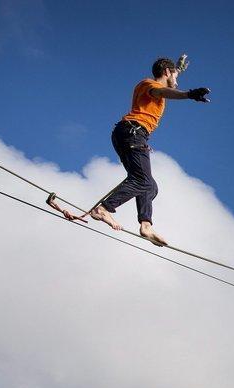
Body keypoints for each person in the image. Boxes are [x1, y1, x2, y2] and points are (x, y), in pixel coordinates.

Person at [84, 56, 210, 246]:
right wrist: (188, 94)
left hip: (131, 135)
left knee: (149, 185)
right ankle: (103, 209)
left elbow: (171, 79)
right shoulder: (148, 84)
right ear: (166, 73)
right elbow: (162, 90)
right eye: (174, 76)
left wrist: (179, 69)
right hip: (132, 132)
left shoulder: (163, 79)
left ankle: (146, 226)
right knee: (142, 181)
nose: (177, 82)